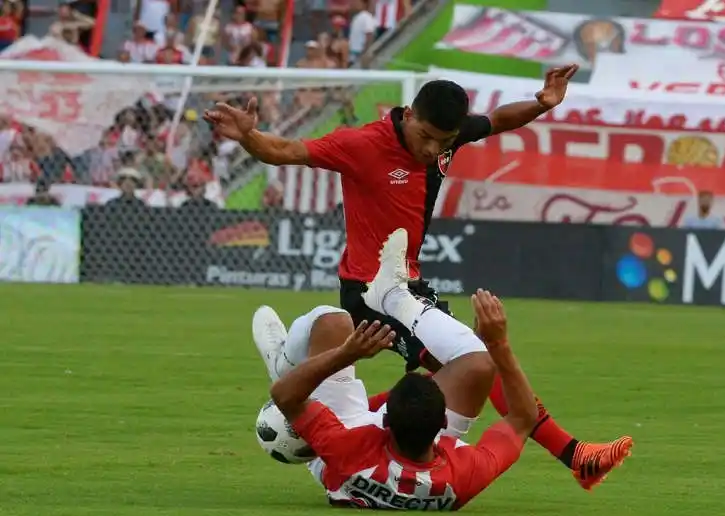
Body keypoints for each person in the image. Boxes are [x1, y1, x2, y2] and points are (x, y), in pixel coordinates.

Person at [205, 67, 596, 479]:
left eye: (442, 142)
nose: (431, 149)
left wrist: (540, 104)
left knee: (455, 372)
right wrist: (249, 136)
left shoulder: (448, 135)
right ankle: (573, 455)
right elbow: (286, 150)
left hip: (407, 286)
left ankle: (305, 389)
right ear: (408, 114)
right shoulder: (362, 144)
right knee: (473, 364)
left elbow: (497, 120)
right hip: (370, 290)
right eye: (425, 136)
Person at [257, 290, 632, 510]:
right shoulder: (463, 475)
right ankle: (397, 296)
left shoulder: (344, 447)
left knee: (332, 320)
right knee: (477, 365)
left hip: (352, 451)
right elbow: (522, 418)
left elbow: (285, 395)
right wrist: (497, 344)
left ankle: (284, 360)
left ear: (384, 421)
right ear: (443, 430)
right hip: (390, 457)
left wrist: (347, 354)